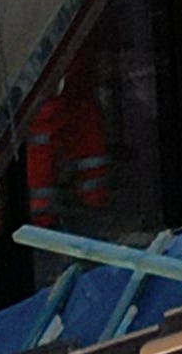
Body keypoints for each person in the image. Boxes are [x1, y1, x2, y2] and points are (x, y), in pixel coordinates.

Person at [17, 41, 115, 237]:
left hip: (52, 53)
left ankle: (41, 214)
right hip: (72, 51)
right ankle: (93, 195)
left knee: (43, 126)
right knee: (80, 110)